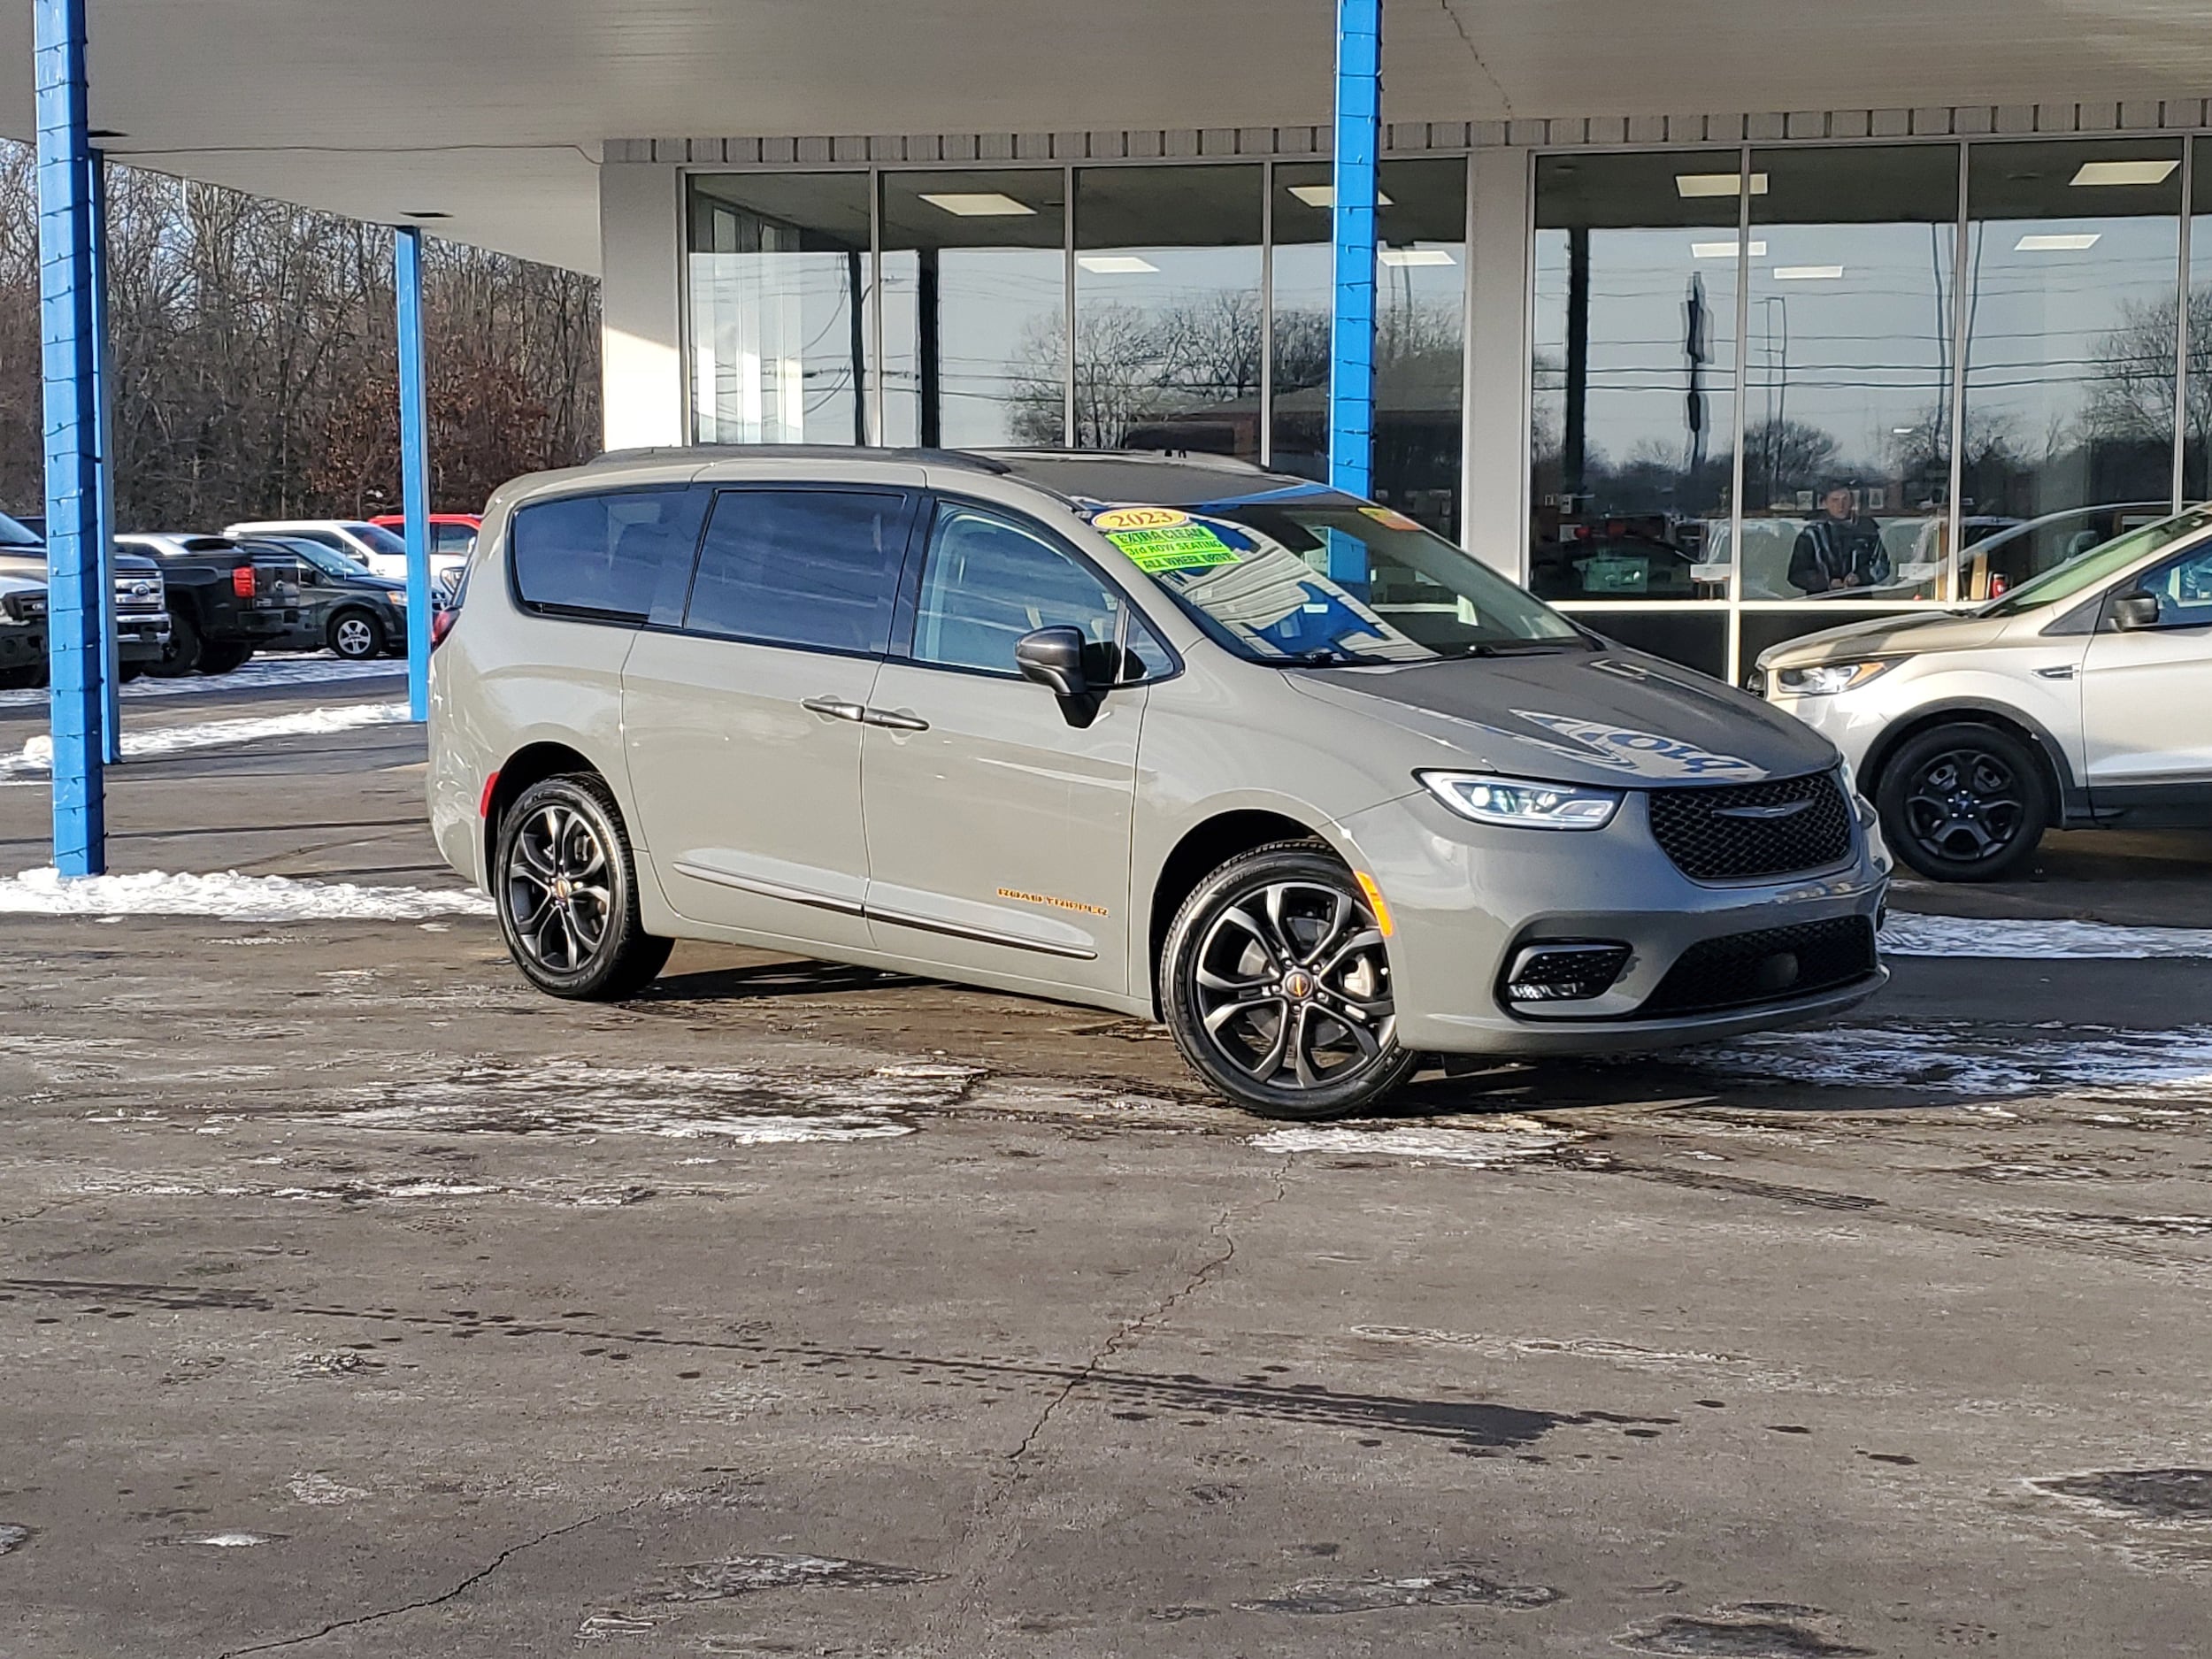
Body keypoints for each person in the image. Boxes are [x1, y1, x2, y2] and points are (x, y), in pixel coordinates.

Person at [1789, 486, 1892, 595]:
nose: (1840, 505)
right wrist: (1827, 581)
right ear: (1824, 503)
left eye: (1845, 499)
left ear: (1852, 502)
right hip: (1820, 600)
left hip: (1859, 598)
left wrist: (1860, 577)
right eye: (1835, 500)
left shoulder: (1867, 529)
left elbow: (1881, 565)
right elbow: (1797, 574)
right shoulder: (1811, 533)